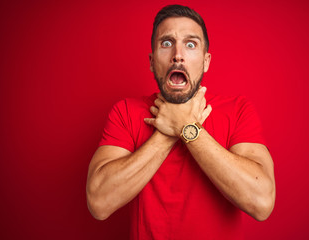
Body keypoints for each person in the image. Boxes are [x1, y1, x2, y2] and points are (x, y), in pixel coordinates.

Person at [86, 4, 275, 240]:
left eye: (190, 44)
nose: (177, 54)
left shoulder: (238, 111)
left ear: (206, 61)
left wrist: (187, 128)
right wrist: (165, 134)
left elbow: (262, 202)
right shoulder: (125, 112)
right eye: (166, 43)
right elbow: (98, 202)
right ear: (152, 61)